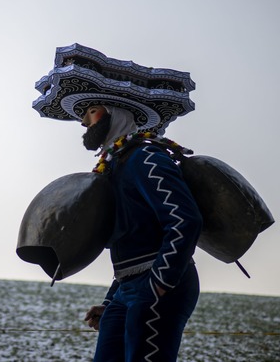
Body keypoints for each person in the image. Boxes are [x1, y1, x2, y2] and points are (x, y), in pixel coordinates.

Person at [81, 104, 203, 362]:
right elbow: (130, 243)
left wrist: (159, 283)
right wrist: (110, 299)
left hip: (162, 284)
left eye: (91, 111)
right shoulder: (115, 164)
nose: (84, 121)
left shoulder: (146, 156)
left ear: (116, 113)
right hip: (126, 288)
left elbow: (185, 220)